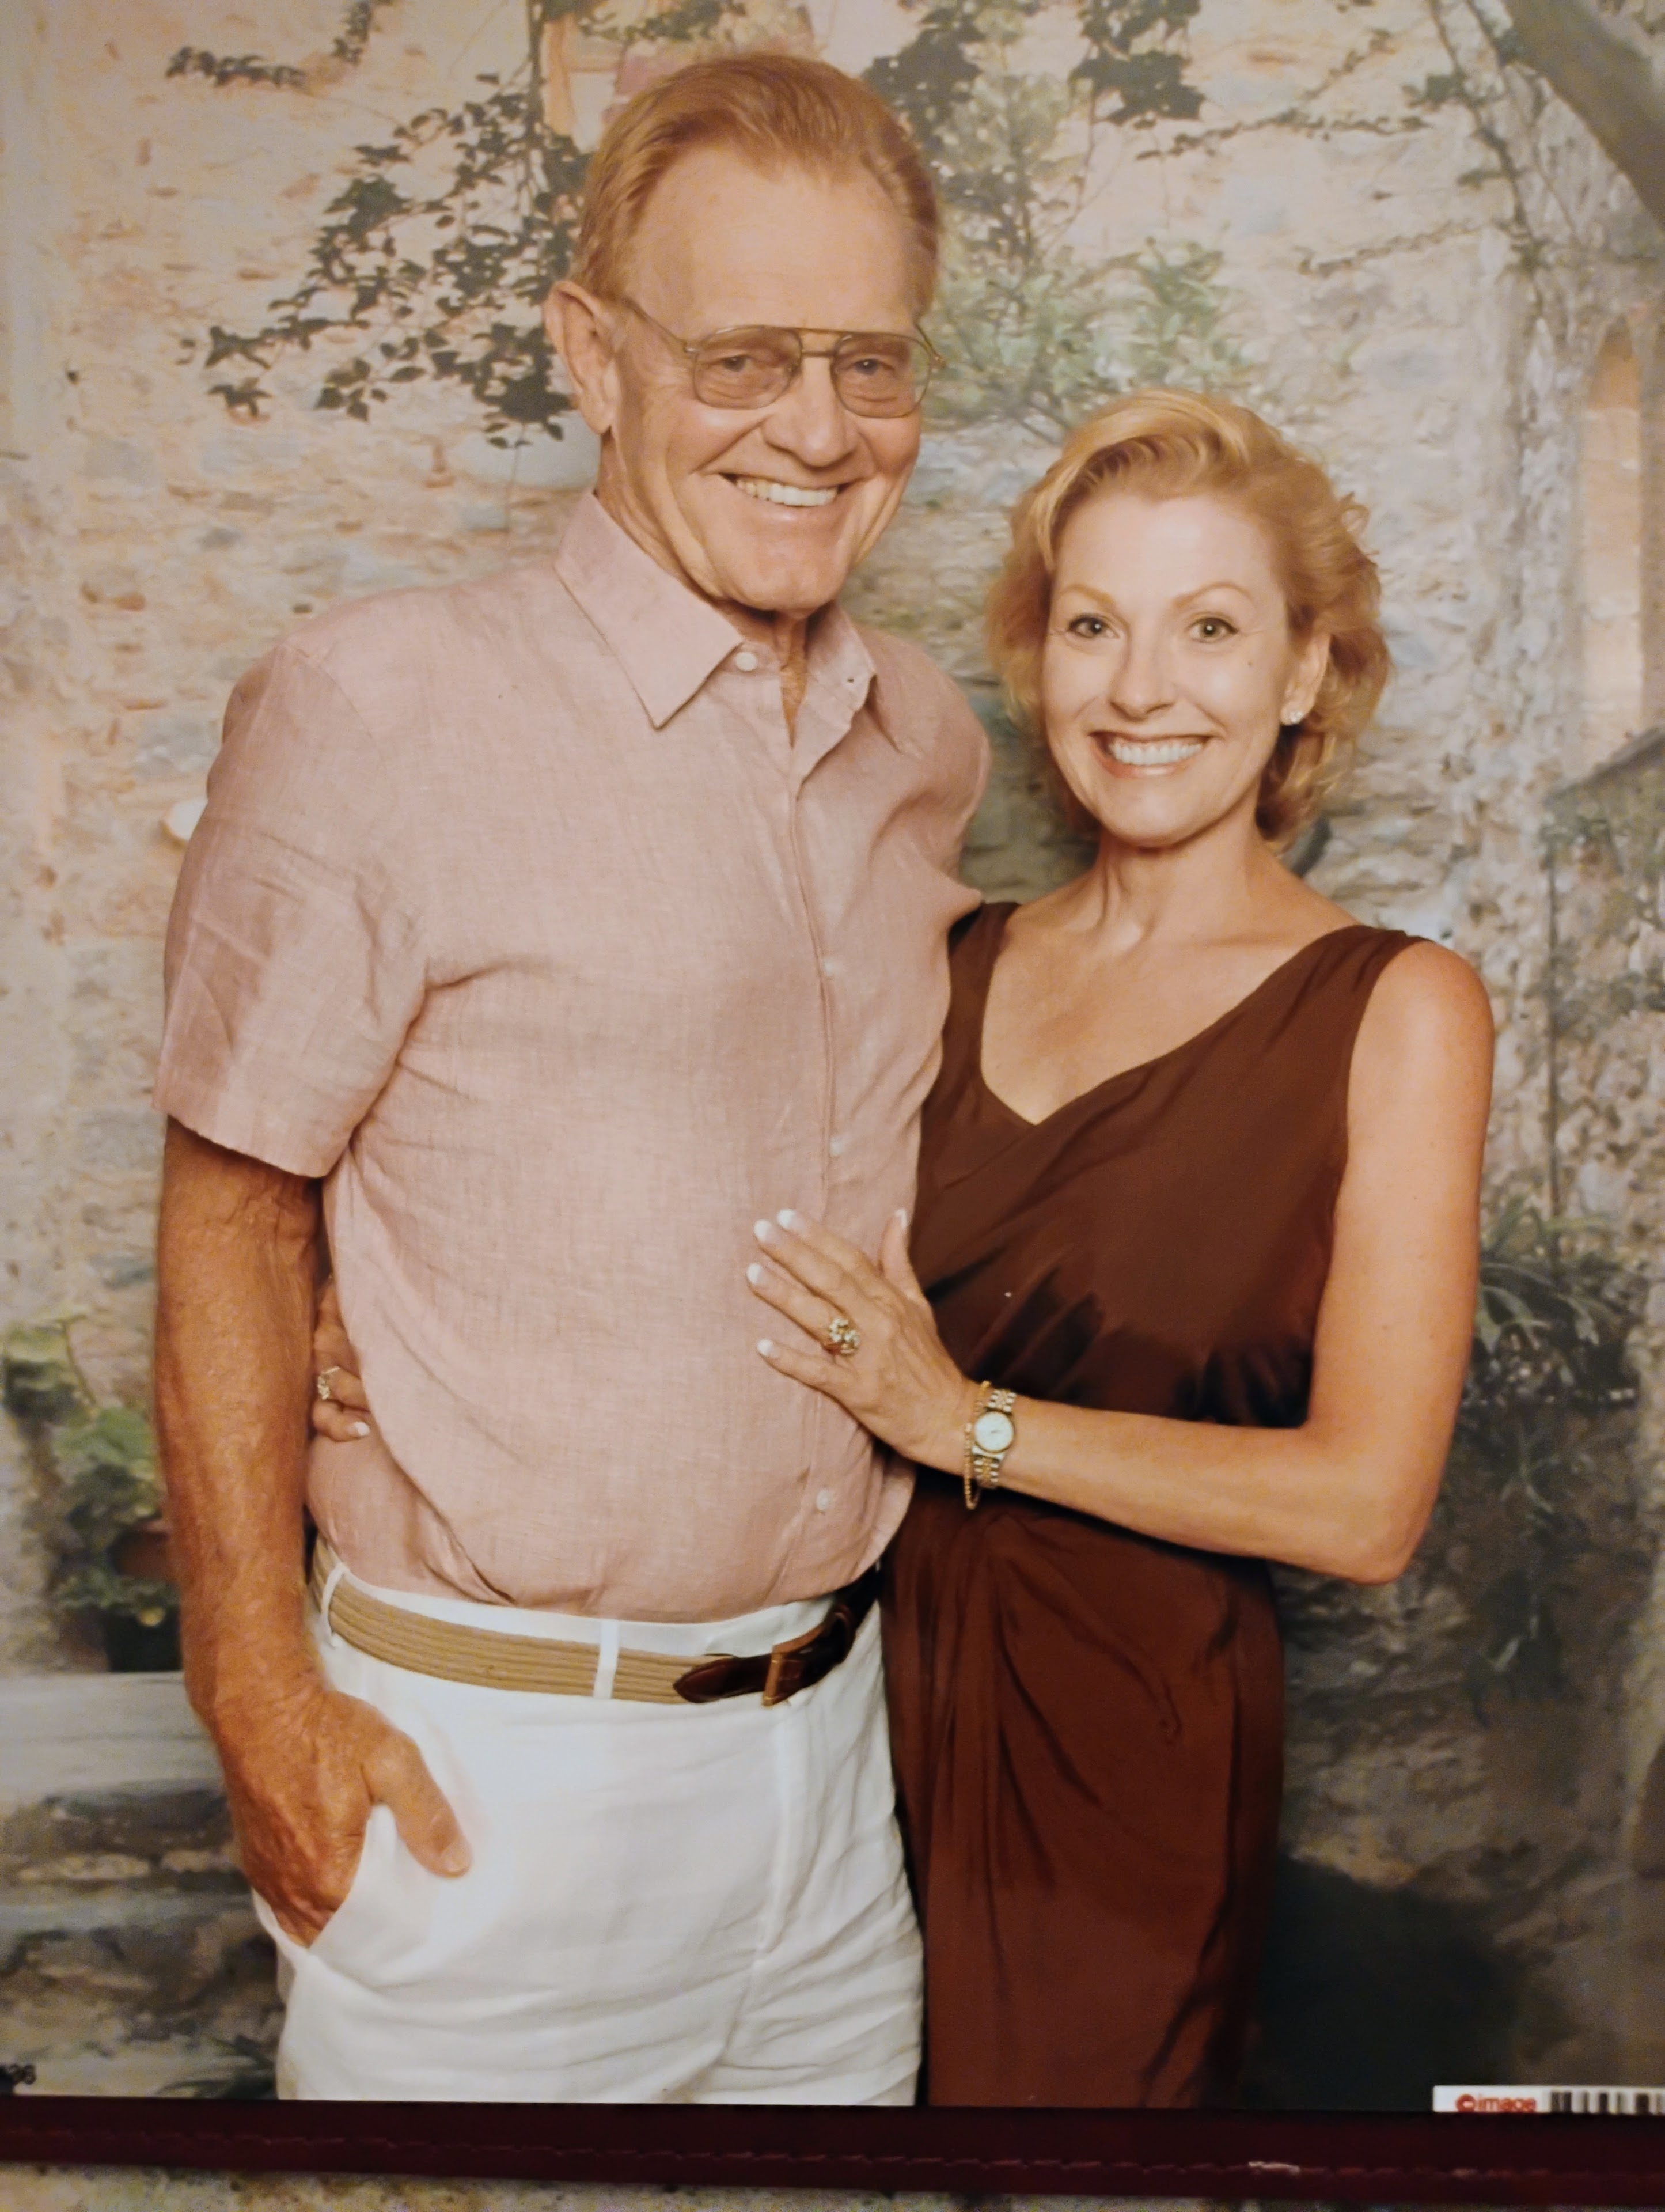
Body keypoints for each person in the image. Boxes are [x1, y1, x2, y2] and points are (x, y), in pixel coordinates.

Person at [151, 54, 989, 2104]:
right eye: (743, 358)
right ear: (592, 357)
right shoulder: (375, 704)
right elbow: (232, 1214)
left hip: (832, 1782)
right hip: (488, 1786)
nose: (816, 429)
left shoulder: (925, 743)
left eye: (868, 364)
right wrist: (255, 1698)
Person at [738, 390, 1495, 2105]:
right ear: (1037, 663)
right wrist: (370, 1343)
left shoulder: (1394, 1008)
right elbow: (760, 1243)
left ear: (1305, 671)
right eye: (1093, 627)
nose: (1140, 688)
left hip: (1125, 1757)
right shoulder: (944, 958)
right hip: (825, 1718)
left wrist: (966, 1427)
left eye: (1208, 629)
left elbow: (1364, 1508)